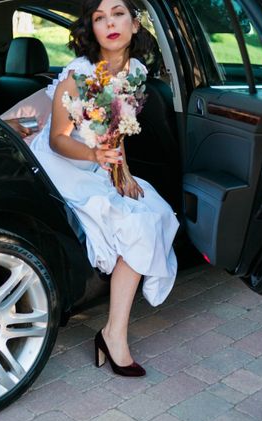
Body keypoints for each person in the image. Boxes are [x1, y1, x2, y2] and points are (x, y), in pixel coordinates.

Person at [29, 0, 178, 377]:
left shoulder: (137, 72)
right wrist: (96, 157)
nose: (109, 23)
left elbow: (118, 128)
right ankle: (114, 337)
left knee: (154, 210)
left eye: (117, 13)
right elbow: (57, 141)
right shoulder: (78, 75)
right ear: (91, 29)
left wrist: (122, 173)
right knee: (136, 224)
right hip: (63, 165)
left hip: (100, 163)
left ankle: (113, 331)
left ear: (134, 23)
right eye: (99, 17)